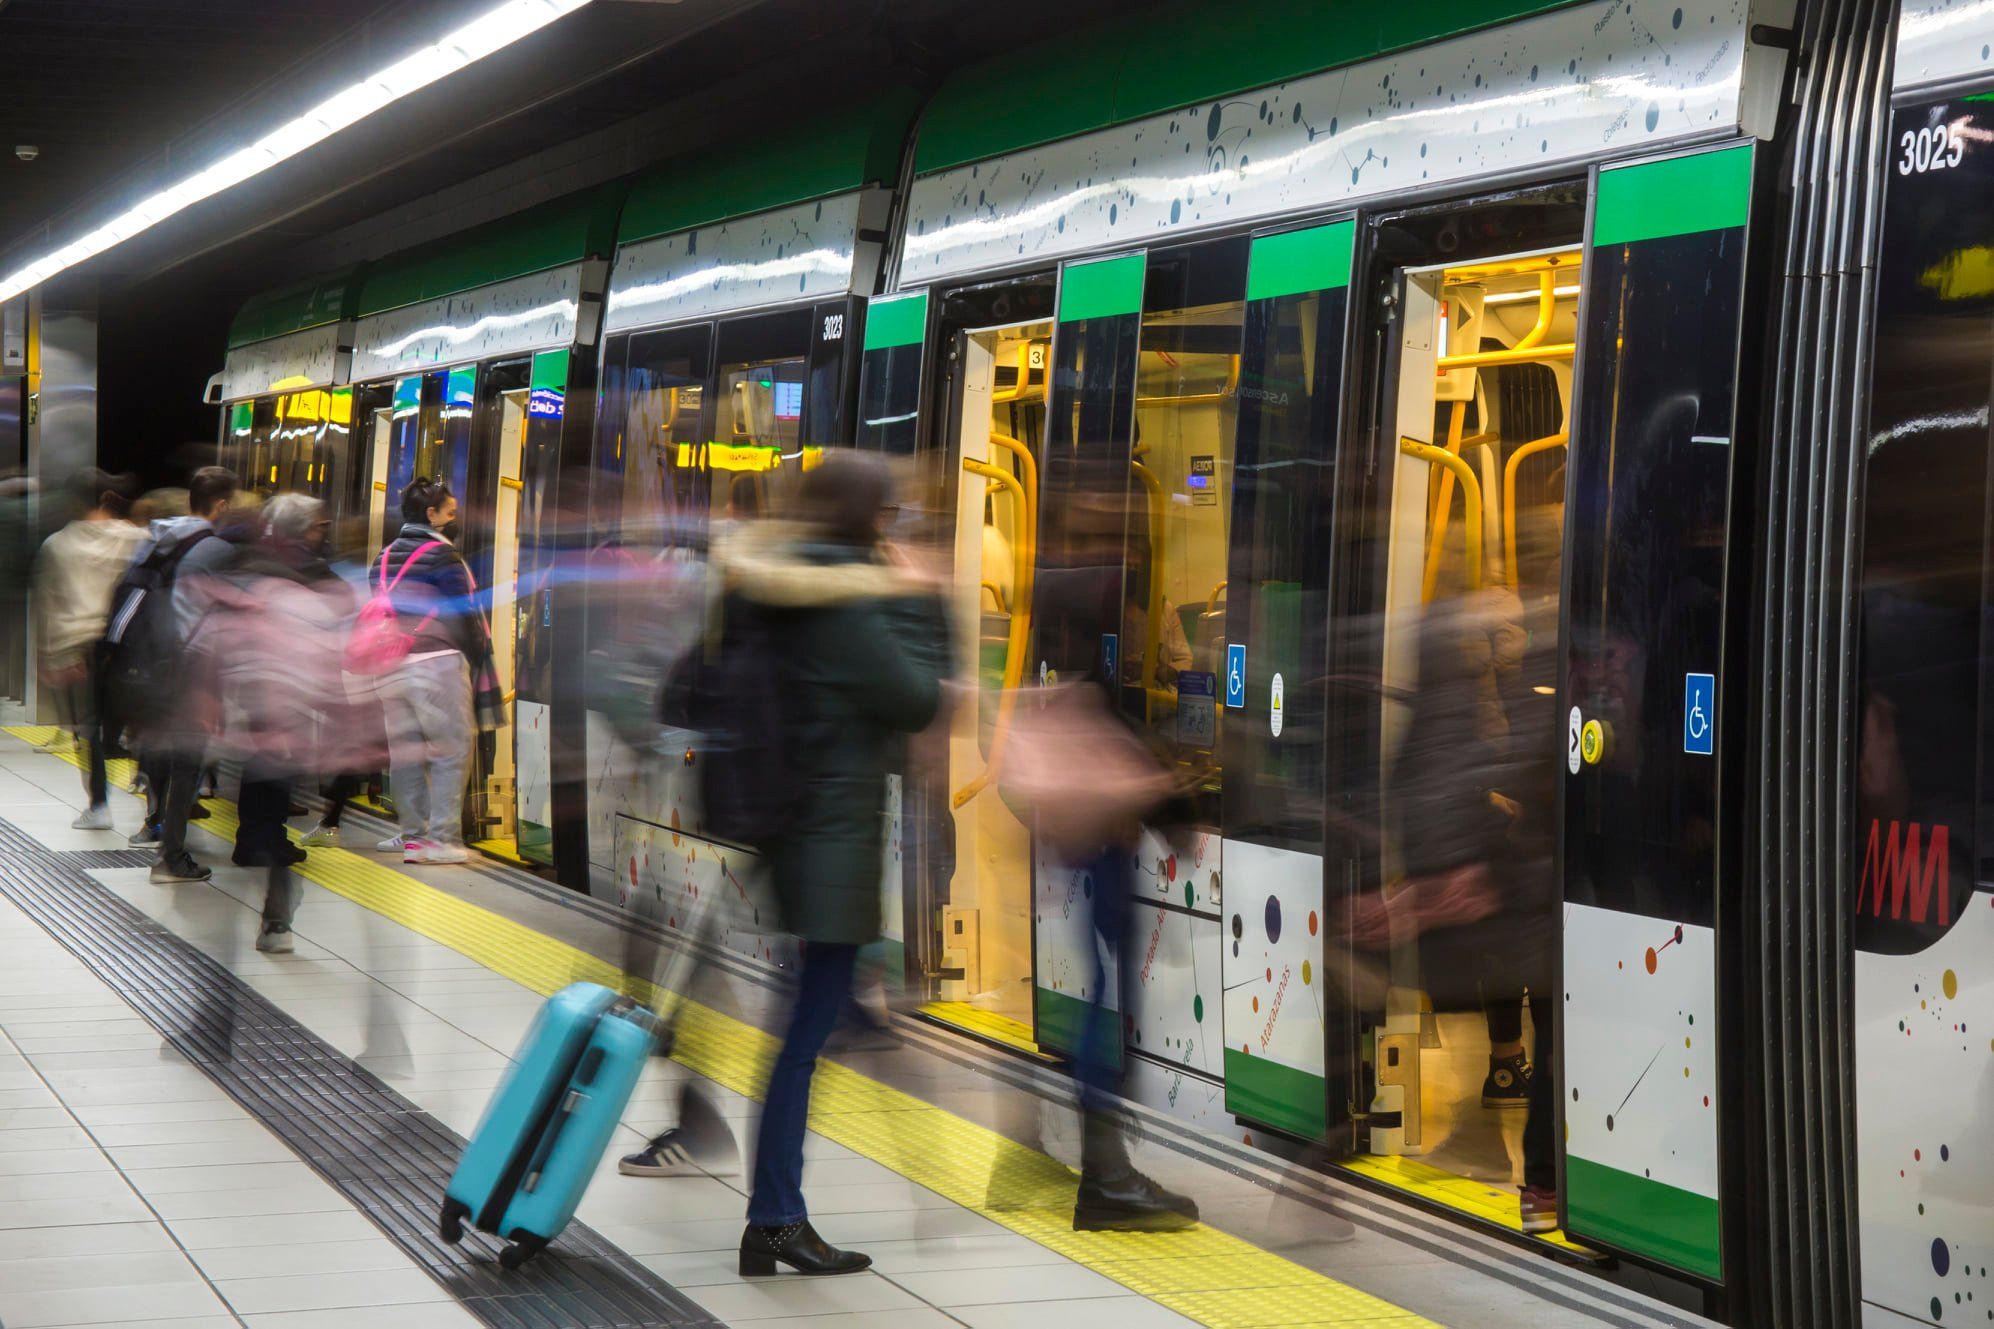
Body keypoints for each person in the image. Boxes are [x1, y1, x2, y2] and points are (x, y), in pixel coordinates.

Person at [724, 453, 951, 1278]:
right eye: (891, 512)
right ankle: (775, 1215)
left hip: (801, 827)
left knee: (811, 1024)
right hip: (830, 834)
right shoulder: (848, 597)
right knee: (803, 1034)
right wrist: (920, 595)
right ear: (868, 516)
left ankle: (774, 1215)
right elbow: (917, 694)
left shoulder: (792, 572)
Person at [372, 477, 501, 865]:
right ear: (432, 515)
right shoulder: (442, 557)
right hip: (434, 663)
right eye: (451, 512)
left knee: (406, 752)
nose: (454, 518)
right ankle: (443, 840)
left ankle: (413, 836)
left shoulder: (384, 555)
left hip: (390, 665)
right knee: (450, 749)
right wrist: (480, 655)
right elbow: (463, 611)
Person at [130, 465, 239, 885]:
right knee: (188, 762)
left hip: (151, 664)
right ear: (222, 505)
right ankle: (171, 855)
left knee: (159, 754)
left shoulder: (155, 541)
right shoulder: (216, 551)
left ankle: (155, 825)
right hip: (193, 669)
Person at [32, 469, 145, 828]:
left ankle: (98, 806)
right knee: (140, 722)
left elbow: (48, 605)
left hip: (80, 649)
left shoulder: (56, 545)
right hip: (126, 641)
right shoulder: (133, 537)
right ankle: (153, 800)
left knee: (90, 729)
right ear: (104, 498)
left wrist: (50, 657)